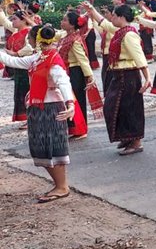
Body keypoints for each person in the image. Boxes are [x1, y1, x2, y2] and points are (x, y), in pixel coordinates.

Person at [0, 25, 76, 202]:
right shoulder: (37, 59)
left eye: (29, 38)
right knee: (41, 148)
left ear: (36, 40)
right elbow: (11, 61)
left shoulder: (52, 60)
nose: (28, 41)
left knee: (52, 147)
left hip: (51, 108)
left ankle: (62, 186)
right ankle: (60, 185)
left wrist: (70, 103)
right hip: (39, 108)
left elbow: (63, 81)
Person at [83, 2, 150, 155]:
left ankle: (135, 141)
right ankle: (127, 137)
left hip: (128, 75)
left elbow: (139, 57)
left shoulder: (129, 34)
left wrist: (147, 78)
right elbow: (104, 23)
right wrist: (92, 10)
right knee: (115, 107)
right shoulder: (121, 31)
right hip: (119, 75)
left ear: (121, 17)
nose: (111, 18)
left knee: (129, 108)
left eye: (113, 15)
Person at [57, 11, 93, 140]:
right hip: (68, 72)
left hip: (75, 72)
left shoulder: (75, 40)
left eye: (65, 20)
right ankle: (73, 128)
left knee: (77, 100)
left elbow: (82, 59)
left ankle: (80, 129)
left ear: (72, 25)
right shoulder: (65, 36)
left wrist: (90, 76)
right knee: (69, 100)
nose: (62, 22)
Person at [4, 10, 33, 125]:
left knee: (27, 92)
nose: (12, 21)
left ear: (23, 20)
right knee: (20, 92)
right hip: (18, 66)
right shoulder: (15, 32)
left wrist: (16, 53)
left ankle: (30, 117)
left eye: (15, 19)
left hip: (26, 65)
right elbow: (5, 22)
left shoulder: (29, 32)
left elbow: (30, 48)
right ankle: (26, 117)